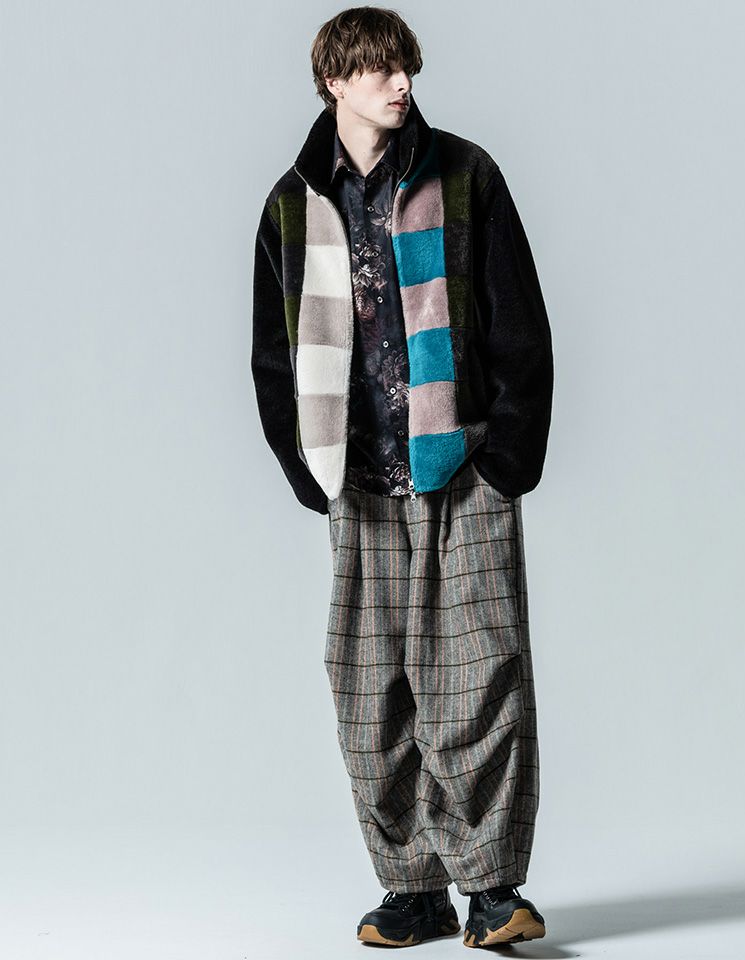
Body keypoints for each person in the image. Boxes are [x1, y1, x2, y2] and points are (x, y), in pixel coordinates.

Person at [251, 6, 553, 949]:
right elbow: (273, 353)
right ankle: (412, 887)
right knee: (369, 689)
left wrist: (505, 458)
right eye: (382, 70)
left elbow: (519, 319)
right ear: (334, 81)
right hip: (359, 478)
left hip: (462, 468)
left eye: (407, 68)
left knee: (482, 676)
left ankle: (491, 888)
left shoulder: (465, 175)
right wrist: (306, 466)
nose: (402, 84)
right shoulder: (292, 204)